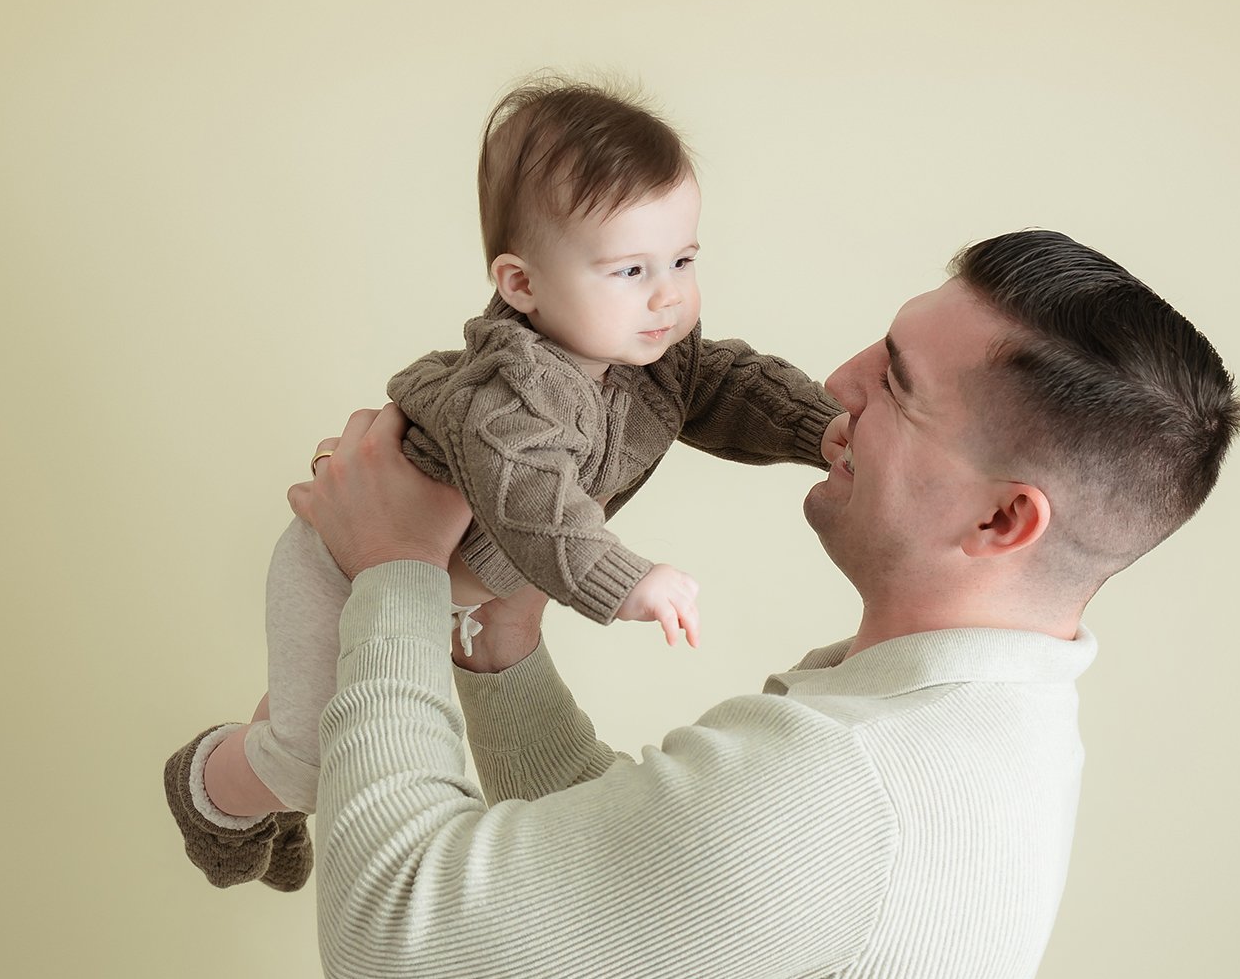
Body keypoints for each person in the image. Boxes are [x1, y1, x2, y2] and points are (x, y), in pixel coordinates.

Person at [276, 228, 1240, 979]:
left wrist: (391, 571)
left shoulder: (847, 781)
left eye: (896, 384)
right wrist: (501, 645)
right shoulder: (982, 727)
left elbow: (391, 941)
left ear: (1003, 520)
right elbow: (644, 891)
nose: (837, 380)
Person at [160, 79, 841, 891]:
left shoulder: (657, 357)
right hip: (344, 561)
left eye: (683, 260)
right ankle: (212, 789)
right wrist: (629, 580)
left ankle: (265, 782)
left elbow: (730, 386)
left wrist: (820, 426)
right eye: (629, 269)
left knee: (321, 710)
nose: (669, 295)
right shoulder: (509, 395)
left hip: (431, 577)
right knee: (319, 760)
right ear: (521, 285)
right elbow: (532, 499)